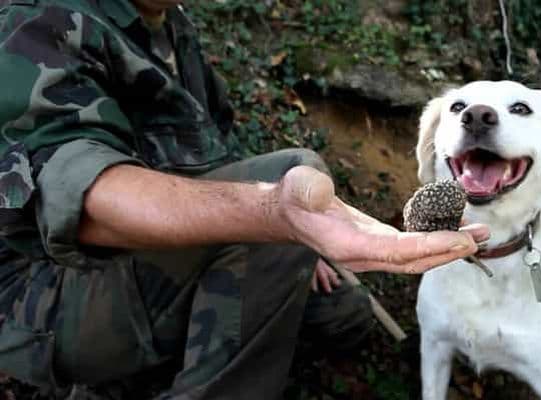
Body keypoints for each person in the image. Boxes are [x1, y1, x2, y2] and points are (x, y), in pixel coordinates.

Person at [0, 0, 488, 398]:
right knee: (288, 178)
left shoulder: (174, 29)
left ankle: (157, 365)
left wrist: (295, 238)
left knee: (346, 316)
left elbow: (217, 153)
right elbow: (78, 194)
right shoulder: (39, 19)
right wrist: (273, 214)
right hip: (49, 298)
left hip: (160, 262)